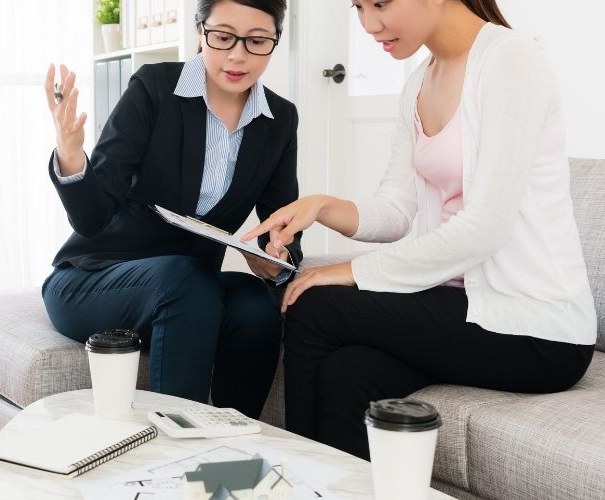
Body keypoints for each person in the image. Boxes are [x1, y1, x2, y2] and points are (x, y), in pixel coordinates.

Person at [243, 0, 596, 458]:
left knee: (314, 304)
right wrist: (321, 205)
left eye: (380, 4)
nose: (369, 25)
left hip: (536, 325)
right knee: (349, 372)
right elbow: (396, 211)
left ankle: (297, 479)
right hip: (463, 306)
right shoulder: (418, 83)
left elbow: (485, 227)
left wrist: (351, 271)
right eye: (357, 7)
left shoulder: (510, 60)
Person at [41, 0, 302, 419]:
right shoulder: (155, 87)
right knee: (186, 278)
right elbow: (92, 218)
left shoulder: (280, 120)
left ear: (274, 42)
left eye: (257, 41)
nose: (238, 55)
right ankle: (178, 451)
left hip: (187, 293)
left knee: (254, 303)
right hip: (94, 279)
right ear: (200, 32)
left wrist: (278, 257)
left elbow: (283, 221)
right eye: (222, 37)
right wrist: (72, 157)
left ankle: (236, 443)